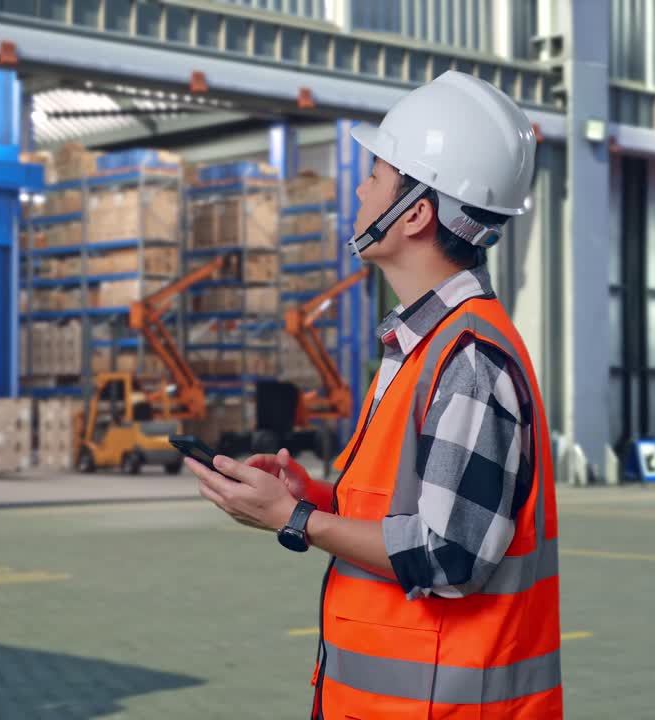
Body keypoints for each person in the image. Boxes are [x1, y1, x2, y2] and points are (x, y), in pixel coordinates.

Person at [187, 70, 562, 718]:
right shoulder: (423, 343)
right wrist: (317, 496)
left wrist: (294, 520)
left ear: (415, 213)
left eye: (376, 175)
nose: (359, 189)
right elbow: (413, 510)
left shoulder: (468, 360)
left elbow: (450, 556)